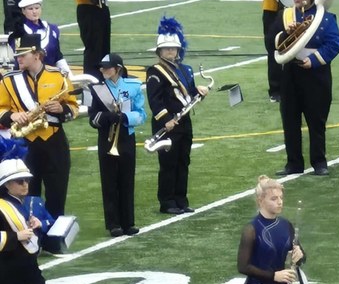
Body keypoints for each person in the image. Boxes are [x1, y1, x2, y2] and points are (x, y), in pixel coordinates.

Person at [0, 33, 78, 217]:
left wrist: (61, 109)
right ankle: (30, 238)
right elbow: (0, 108)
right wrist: (13, 115)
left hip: (54, 140)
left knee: (57, 192)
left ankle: (54, 238)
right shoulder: (9, 80)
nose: (18, 58)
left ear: (37, 55)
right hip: (24, 143)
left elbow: (73, 107)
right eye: (17, 55)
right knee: (26, 193)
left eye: (23, 55)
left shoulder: (58, 76)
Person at [272, 0, 339, 177]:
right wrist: (286, 34)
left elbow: (334, 44)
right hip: (290, 74)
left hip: (316, 74)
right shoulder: (285, 16)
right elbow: (271, 42)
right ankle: (293, 163)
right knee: (290, 120)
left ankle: (319, 162)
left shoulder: (325, 18)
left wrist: (312, 61)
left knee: (316, 120)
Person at [146, 18, 210, 214]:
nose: (170, 52)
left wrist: (199, 91)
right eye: (166, 49)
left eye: (173, 48)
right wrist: (167, 120)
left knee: (183, 161)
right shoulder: (155, 72)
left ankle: (181, 199)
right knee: (168, 163)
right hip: (167, 124)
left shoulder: (185, 69)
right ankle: (167, 202)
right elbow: (155, 100)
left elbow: (188, 94)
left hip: (184, 122)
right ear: (159, 51)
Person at [89, 53, 146, 237]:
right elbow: (93, 119)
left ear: (118, 69)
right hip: (106, 138)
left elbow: (141, 115)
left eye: (107, 67)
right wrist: (108, 118)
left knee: (126, 180)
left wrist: (125, 117)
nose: (103, 70)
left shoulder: (134, 86)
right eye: (102, 67)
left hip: (126, 136)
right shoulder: (95, 89)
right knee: (109, 181)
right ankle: (113, 223)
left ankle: (128, 222)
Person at [9, 0, 71, 74]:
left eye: (37, 8)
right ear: (23, 11)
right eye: (30, 9)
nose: (34, 12)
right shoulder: (19, 32)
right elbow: (21, 60)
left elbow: (58, 56)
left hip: (50, 75)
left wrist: (68, 75)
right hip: (27, 76)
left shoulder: (52, 29)